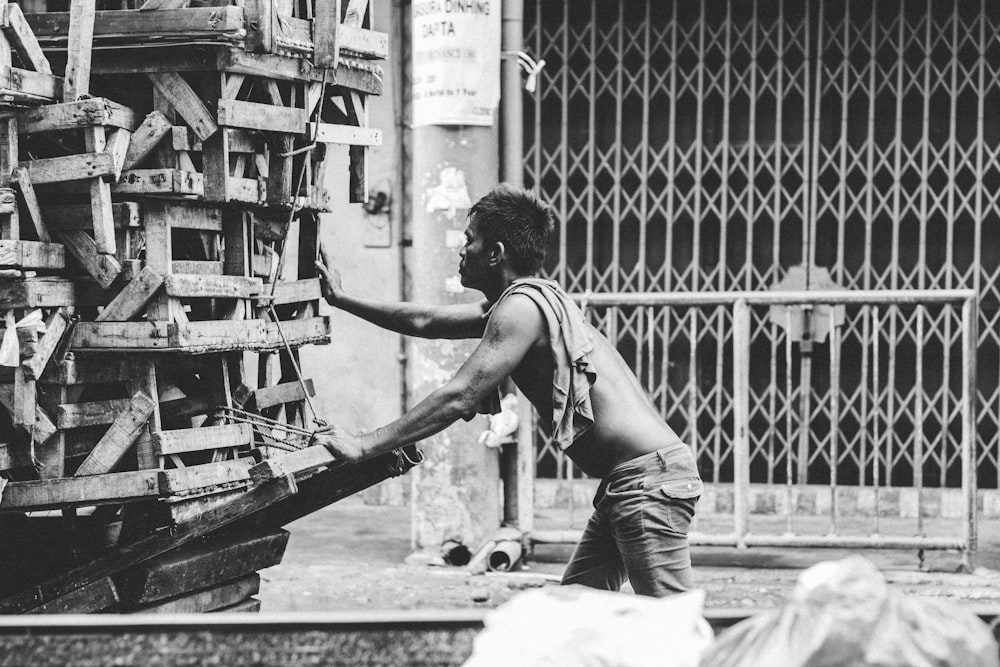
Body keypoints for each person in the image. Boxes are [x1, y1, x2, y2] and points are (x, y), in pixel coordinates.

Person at [313, 183, 703, 596]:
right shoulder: (525, 301)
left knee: (672, 626)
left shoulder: (521, 308)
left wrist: (363, 445)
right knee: (574, 612)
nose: (462, 251)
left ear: (495, 253)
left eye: (470, 241)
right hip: (631, 482)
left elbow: (459, 395)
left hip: (645, 484)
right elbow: (426, 322)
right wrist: (342, 299)